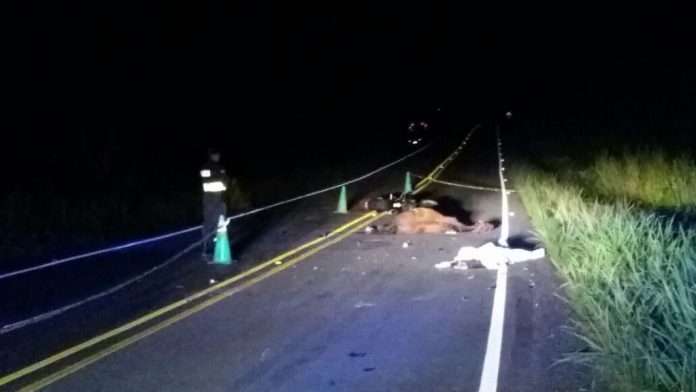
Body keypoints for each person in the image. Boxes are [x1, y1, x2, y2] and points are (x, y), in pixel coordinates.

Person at [200, 148, 229, 260]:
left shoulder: (220, 167)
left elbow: (225, 182)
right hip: (210, 200)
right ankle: (207, 249)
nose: (217, 156)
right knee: (209, 223)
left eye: (218, 154)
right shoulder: (205, 167)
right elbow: (206, 184)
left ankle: (220, 249)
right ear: (210, 155)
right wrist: (221, 183)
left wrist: (222, 183)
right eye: (215, 154)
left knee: (221, 223)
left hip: (219, 199)